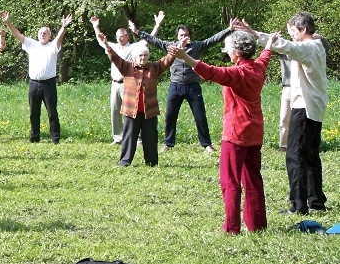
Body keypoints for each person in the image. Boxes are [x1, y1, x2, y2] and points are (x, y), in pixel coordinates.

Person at [169, 31, 277, 234]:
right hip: (254, 133)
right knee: (253, 178)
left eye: (228, 49)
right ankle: (258, 225)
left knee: (230, 181)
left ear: (236, 52)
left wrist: (184, 57)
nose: (226, 52)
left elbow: (210, 72)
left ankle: (232, 228)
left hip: (236, 134)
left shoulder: (237, 74)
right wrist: (269, 43)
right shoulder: (258, 68)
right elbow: (265, 56)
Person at [236, 14, 329, 215]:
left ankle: (298, 205)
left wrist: (261, 38)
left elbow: (288, 47)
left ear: (303, 30)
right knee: (311, 154)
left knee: (295, 155)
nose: (292, 36)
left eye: (294, 32)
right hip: (314, 106)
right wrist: (255, 34)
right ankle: (316, 200)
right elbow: (287, 44)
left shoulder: (309, 48)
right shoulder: (318, 45)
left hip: (304, 106)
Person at [130, 16, 235, 153]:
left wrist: (229, 29)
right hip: (176, 86)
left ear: (190, 36)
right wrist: (138, 32)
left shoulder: (197, 46)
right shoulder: (171, 47)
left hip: (193, 86)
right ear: (177, 36)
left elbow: (213, 39)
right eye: (181, 35)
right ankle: (168, 143)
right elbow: (154, 41)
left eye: (186, 35)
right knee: (170, 116)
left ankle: (206, 145)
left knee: (200, 116)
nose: (183, 37)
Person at [99, 35, 173, 166]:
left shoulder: (154, 68)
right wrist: (107, 45)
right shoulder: (127, 67)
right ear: (134, 57)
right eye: (140, 55)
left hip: (149, 111)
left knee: (150, 138)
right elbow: (114, 57)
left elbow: (168, 60)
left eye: (145, 55)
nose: (142, 58)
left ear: (148, 57)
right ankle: (125, 161)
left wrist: (179, 48)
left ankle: (152, 162)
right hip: (131, 110)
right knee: (129, 138)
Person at [0, 11, 72, 144]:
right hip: (34, 84)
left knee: (52, 112)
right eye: (40, 33)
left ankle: (55, 138)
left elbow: (60, 38)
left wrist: (64, 27)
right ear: (37, 35)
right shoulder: (32, 44)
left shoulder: (53, 46)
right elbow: (18, 35)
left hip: (48, 84)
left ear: (50, 36)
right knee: (34, 113)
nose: (42, 35)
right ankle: (34, 137)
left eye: (45, 33)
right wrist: (7, 22)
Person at [91, 13, 162, 144]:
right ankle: (118, 138)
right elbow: (101, 39)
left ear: (127, 37)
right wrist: (96, 26)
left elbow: (149, 38)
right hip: (115, 84)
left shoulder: (134, 47)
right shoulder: (113, 47)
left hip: (129, 83)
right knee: (115, 110)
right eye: (117, 37)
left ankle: (139, 138)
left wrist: (157, 24)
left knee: (132, 110)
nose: (119, 39)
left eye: (121, 37)